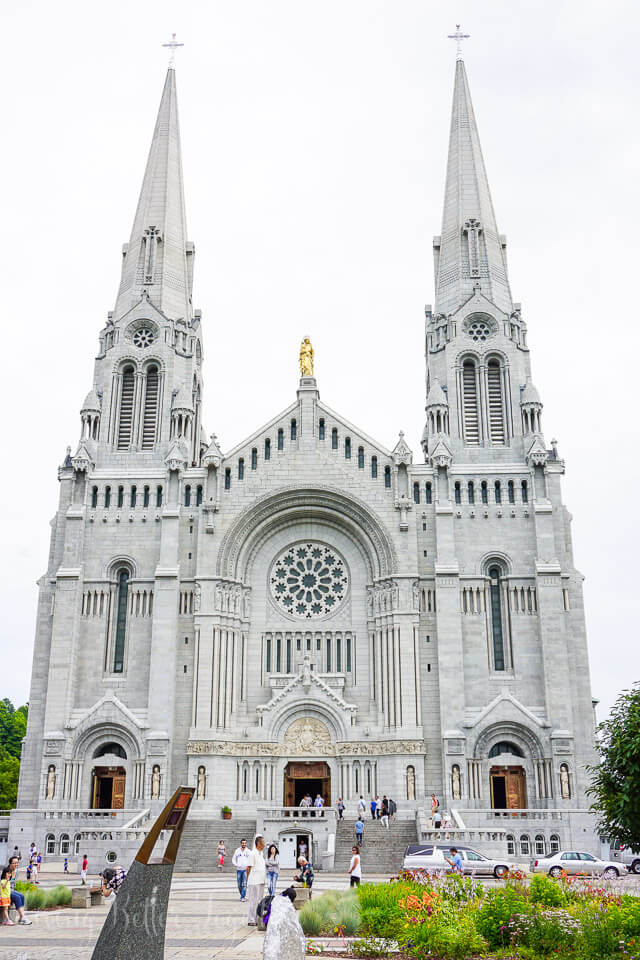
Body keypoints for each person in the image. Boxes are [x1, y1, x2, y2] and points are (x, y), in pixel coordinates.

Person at [263, 887, 306, 960]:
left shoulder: (277, 899)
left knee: (272, 945)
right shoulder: (286, 904)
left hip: (270, 925)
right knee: (278, 945)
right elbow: (293, 921)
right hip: (276, 926)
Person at [246, 835, 266, 926]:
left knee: (259, 900)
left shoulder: (261, 854)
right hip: (254, 881)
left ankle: (258, 917)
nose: (264, 845)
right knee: (253, 900)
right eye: (263, 843)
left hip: (261, 880)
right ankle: (251, 919)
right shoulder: (252, 853)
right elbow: (248, 867)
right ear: (258, 844)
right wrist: (247, 879)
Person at [7, 857, 32, 925]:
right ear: (10, 864)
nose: (16, 864)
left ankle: (21, 918)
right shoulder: (7, 871)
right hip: (6, 891)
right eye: (14, 863)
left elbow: (13, 885)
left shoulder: (16, 871)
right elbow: (4, 883)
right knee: (17, 897)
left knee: (22, 896)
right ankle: (22, 917)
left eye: (17, 863)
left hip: (11, 890)